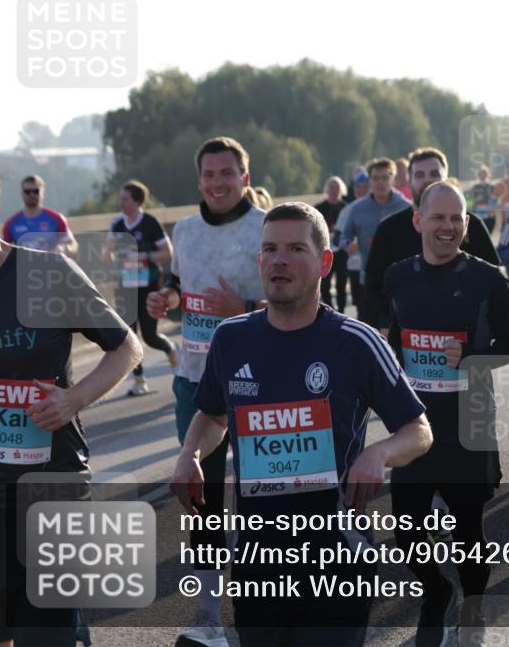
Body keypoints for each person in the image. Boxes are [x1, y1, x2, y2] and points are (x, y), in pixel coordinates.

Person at [170, 201, 432, 647]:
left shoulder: (357, 342)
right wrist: (190, 453)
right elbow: (213, 415)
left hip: (338, 555)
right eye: (269, 249)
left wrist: (378, 453)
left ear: (325, 262)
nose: (279, 260)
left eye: (295, 249)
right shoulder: (231, 339)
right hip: (259, 558)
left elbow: (418, 431)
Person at [0, 155, 142, 647]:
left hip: (50, 485)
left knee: (46, 638)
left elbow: (126, 347)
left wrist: (73, 399)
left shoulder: (45, 272)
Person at [385, 181, 509, 647]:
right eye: (437, 217)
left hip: (469, 424)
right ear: (418, 220)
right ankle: (436, 591)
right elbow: (394, 346)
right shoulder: (398, 277)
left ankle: (473, 612)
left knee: (467, 533)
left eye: (455, 219)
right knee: (406, 527)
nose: (446, 226)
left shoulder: (486, 278)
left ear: (466, 225)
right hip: (415, 424)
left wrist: (470, 354)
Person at [146, 136, 267, 647]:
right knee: (202, 499)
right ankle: (209, 616)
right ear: (199, 180)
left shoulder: (267, 227)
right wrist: (165, 298)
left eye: (227, 173)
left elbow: (304, 301)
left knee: (264, 498)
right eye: (209, 175)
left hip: (262, 381)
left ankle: (261, 614)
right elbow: (180, 282)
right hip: (197, 380)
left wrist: (242, 308)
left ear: (244, 175)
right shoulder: (186, 229)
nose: (217, 183)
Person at [363, 148, 500, 335]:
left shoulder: (470, 224)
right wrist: (396, 317)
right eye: (419, 174)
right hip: (406, 341)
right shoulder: (389, 229)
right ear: (409, 180)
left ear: (446, 177)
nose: (427, 179)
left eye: (435, 173)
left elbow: (493, 277)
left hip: (463, 339)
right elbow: (373, 285)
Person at [106, 179, 177, 396]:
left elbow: (168, 253)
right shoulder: (117, 225)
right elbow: (107, 253)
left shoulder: (149, 223)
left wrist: (143, 255)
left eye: (125, 199)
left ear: (137, 201)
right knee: (129, 337)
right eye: (120, 199)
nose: (121, 203)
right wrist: (112, 255)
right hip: (125, 287)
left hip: (148, 287)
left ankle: (171, 349)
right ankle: (139, 381)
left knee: (150, 336)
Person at [338, 158, 412, 326]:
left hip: (401, 280)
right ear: (369, 180)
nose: (380, 182)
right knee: (370, 331)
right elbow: (343, 237)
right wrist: (348, 245)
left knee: (398, 332)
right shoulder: (357, 209)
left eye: (385, 178)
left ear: (393, 179)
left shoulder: (406, 207)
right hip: (369, 280)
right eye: (376, 178)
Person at [2, 174, 78, 255]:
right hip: (24, 266)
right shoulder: (11, 223)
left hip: (52, 266)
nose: (32, 194)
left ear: (43, 192)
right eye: (27, 191)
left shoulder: (57, 218)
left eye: (36, 191)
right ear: (22, 193)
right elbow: (2, 250)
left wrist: (64, 249)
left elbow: (73, 245)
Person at [316, 176, 350, 312]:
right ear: (327, 189)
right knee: (324, 285)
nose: (334, 190)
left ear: (341, 189)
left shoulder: (347, 208)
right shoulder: (319, 208)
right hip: (325, 250)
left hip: (342, 250)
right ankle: (330, 309)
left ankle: (341, 311)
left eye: (337, 187)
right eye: (331, 187)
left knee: (342, 284)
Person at [468, 165, 498, 234]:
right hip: (478, 213)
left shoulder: (491, 187)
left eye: (484, 174)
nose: (482, 176)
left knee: (488, 233)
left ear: (487, 175)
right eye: (481, 174)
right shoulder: (475, 187)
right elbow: (469, 201)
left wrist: (492, 207)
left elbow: (496, 200)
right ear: (478, 175)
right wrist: (476, 200)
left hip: (489, 214)